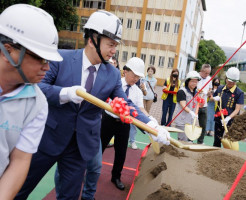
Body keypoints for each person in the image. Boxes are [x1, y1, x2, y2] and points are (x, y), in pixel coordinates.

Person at [16, 10, 170, 200]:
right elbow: (38, 87)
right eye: (111, 44)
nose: (114, 51)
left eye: (116, 45)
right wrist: (64, 93)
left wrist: (151, 125)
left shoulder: (112, 74)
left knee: (69, 197)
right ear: (92, 40)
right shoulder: (60, 58)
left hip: (80, 147)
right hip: (46, 138)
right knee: (18, 189)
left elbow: (124, 102)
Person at [0, 4, 62, 199]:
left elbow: (20, 160)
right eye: (40, 58)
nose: (47, 67)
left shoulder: (38, 103)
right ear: (8, 51)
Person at [101, 57, 155, 190]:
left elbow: (140, 108)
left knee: (121, 152)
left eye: (138, 77)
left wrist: (151, 120)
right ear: (125, 71)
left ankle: (116, 177)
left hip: (124, 124)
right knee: (98, 148)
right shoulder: (114, 84)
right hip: (107, 120)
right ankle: (90, 172)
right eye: (134, 75)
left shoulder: (137, 91)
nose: (136, 79)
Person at [212, 67, 244, 147]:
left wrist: (228, 118)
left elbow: (237, 109)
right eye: (229, 81)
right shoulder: (220, 88)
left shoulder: (239, 93)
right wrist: (213, 98)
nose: (231, 83)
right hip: (219, 118)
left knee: (230, 142)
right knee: (217, 140)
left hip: (231, 120)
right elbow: (212, 98)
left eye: (233, 82)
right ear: (226, 78)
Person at [174, 71, 201, 141]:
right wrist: (191, 113)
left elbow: (197, 105)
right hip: (182, 121)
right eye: (192, 81)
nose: (194, 83)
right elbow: (183, 105)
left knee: (190, 141)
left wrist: (201, 103)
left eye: (196, 82)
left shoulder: (196, 92)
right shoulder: (182, 91)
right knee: (183, 141)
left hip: (191, 121)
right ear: (188, 81)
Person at [196, 64, 213, 144]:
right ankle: (189, 139)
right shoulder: (196, 76)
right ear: (202, 71)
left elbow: (210, 90)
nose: (207, 75)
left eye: (208, 73)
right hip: (195, 104)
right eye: (206, 73)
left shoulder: (209, 79)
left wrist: (210, 93)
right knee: (191, 122)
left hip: (204, 105)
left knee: (203, 124)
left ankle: (200, 141)